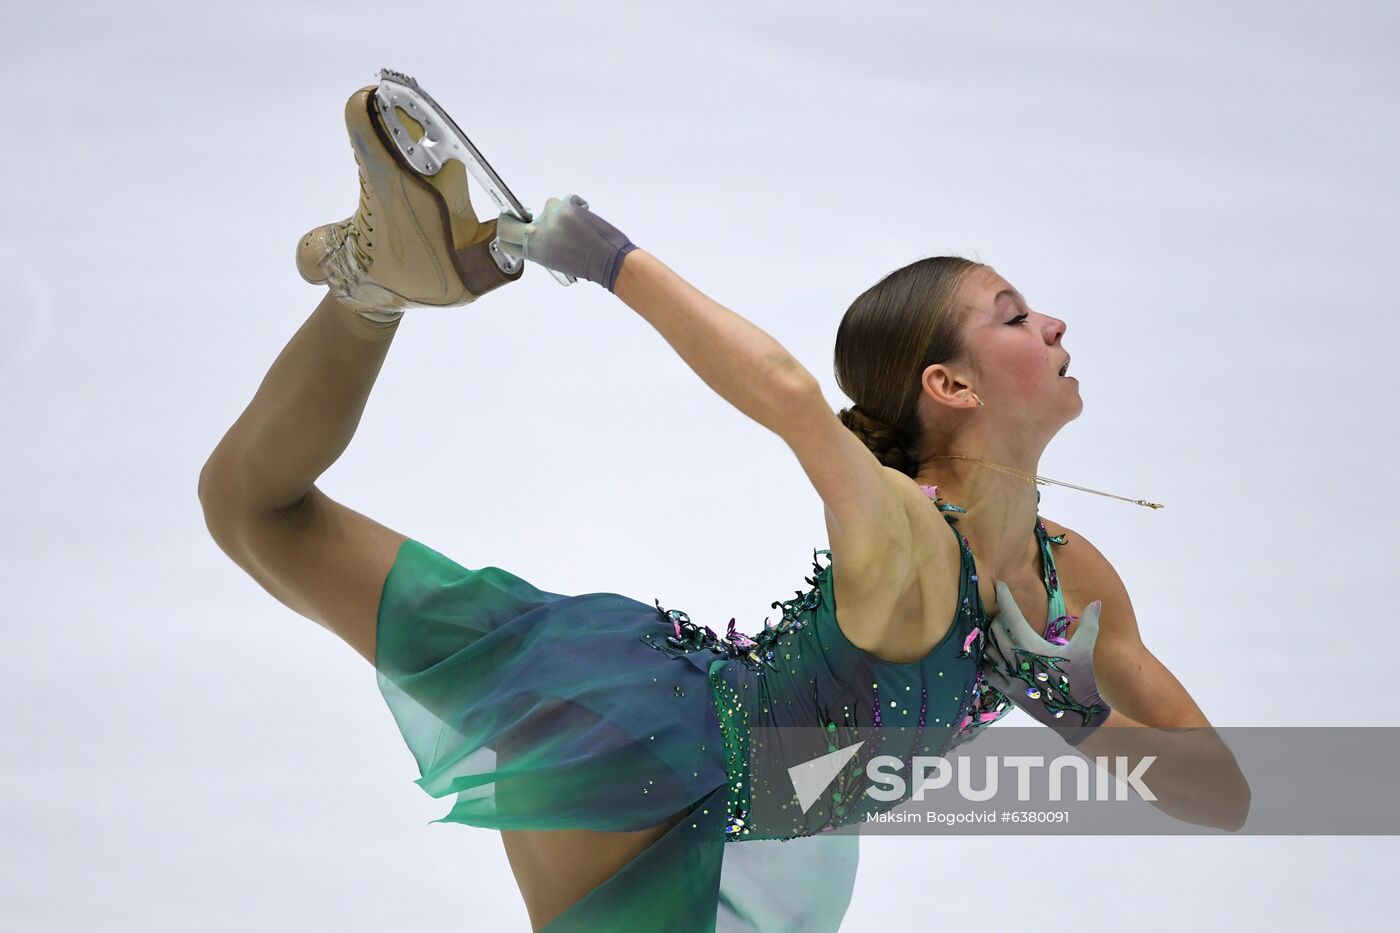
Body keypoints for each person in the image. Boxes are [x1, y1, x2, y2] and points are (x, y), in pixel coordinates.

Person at [198, 74, 1242, 932]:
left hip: (728, 784)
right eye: (1015, 317)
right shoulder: (906, 532)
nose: (1054, 323)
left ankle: (373, 287)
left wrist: (1073, 708)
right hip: (650, 772)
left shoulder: (1073, 578)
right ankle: (378, 286)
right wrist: (609, 261)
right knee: (255, 511)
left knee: (255, 512)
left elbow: (1220, 794)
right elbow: (789, 398)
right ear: (950, 389)